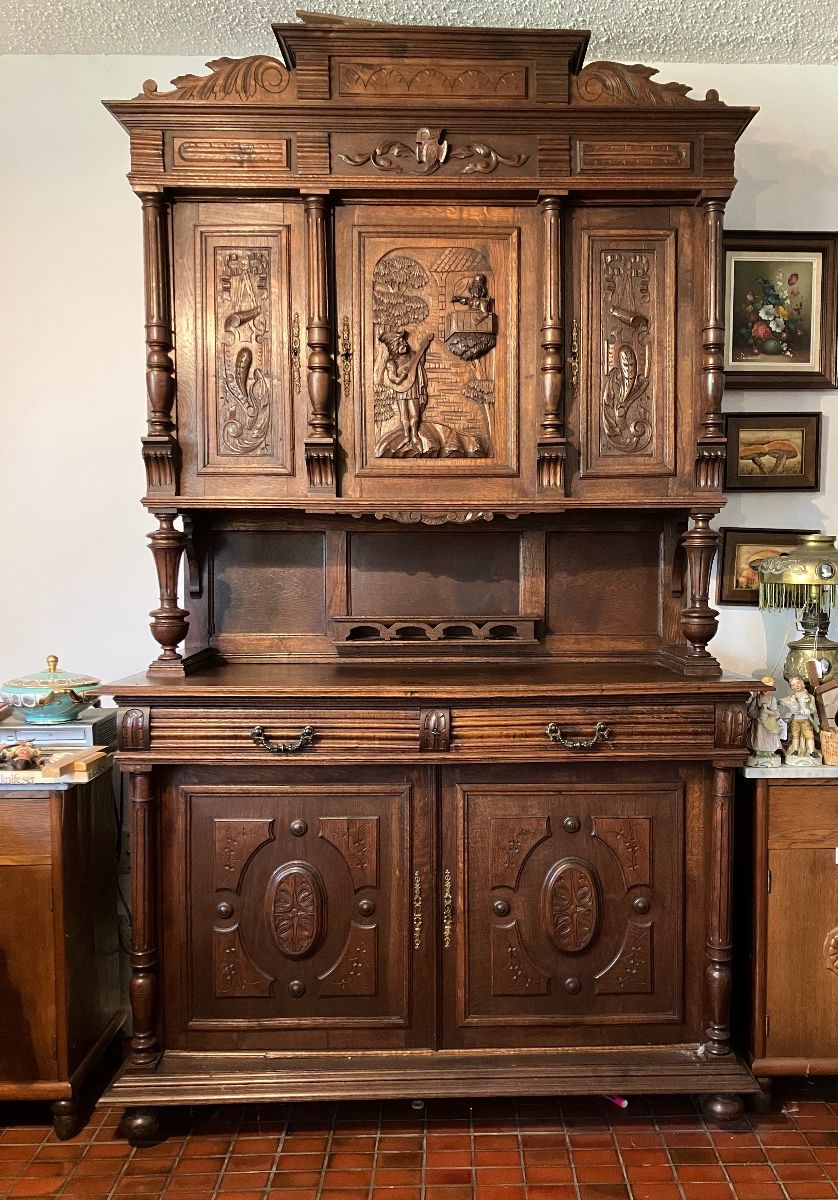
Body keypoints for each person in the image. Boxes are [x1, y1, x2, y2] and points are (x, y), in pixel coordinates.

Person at [374, 329, 434, 455]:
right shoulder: (391, 362)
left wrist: (423, 349)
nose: (405, 343)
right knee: (404, 416)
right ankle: (406, 435)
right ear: (393, 346)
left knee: (415, 414)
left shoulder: (412, 355)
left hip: (412, 388)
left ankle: (414, 435)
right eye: (400, 342)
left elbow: (419, 363)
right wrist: (403, 375)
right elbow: (394, 378)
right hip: (402, 389)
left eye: (404, 340)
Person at [780, 674, 820, 760]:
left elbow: (813, 709)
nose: (796, 686)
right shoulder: (792, 697)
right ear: (791, 687)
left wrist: (808, 710)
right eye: (793, 685)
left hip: (805, 720)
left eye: (798, 683)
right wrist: (781, 702)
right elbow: (781, 702)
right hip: (795, 720)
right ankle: (795, 750)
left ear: (802, 683)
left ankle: (812, 751)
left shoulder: (810, 697)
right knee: (795, 735)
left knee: (809, 735)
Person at [747, 677, 783, 766]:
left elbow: (775, 712)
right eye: (764, 686)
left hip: (769, 722)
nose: (766, 689)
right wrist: (757, 715)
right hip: (759, 722)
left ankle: (770, 750)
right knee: (758, 735)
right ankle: (758, 750)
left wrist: (768, 712)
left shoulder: (772, 699)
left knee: (770, 735)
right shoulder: (757, 699)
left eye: (769, 687)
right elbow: (751, 710)